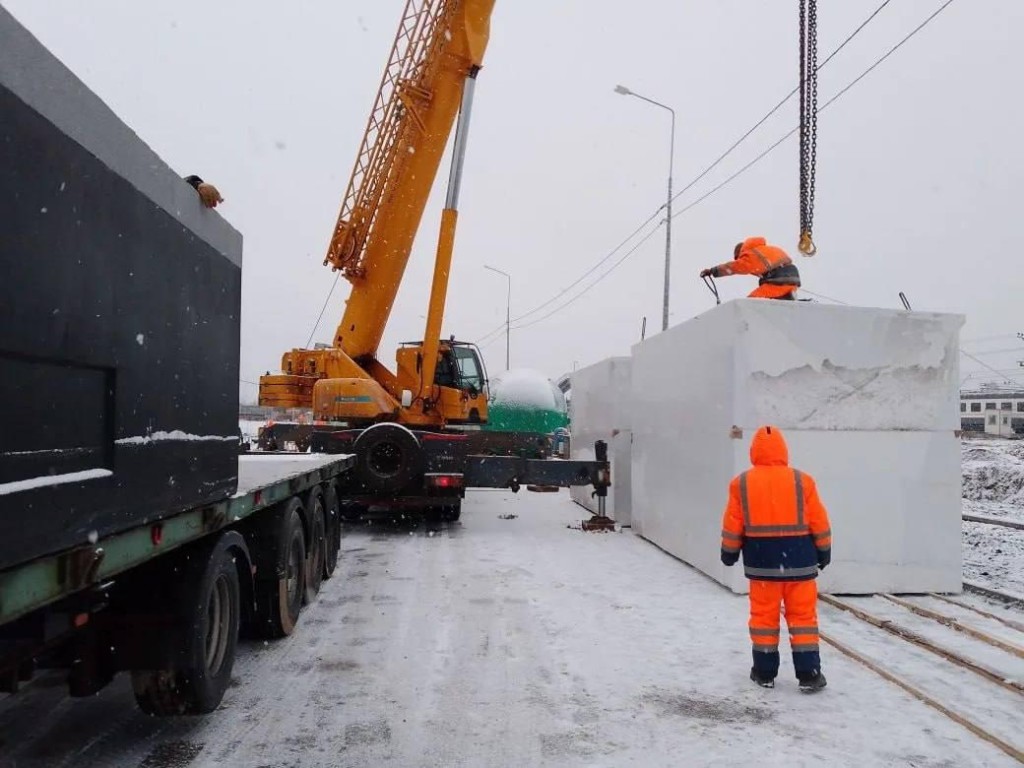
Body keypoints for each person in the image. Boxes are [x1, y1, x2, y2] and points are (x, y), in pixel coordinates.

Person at [720, 425, 832, 692]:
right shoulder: (802, 481)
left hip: (762, 567)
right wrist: (824, 549)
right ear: (784, 451)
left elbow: (733, 523)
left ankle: (764, 672)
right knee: (803, 618)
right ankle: (809, 674)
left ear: (754, 452)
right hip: (801, 564)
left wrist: (729, 551)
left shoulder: (742, 483)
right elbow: (819, 519)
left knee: (763, 620)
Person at [699, 237, 800, 300]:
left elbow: (734, 267)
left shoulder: (750, 254)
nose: (739, 260)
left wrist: (713, 271)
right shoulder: (764, 250)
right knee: (770, 301)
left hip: (780, 280)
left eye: (738, 258)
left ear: (741, 252)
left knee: (751, 304)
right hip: (790, 278)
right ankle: (785, 298)